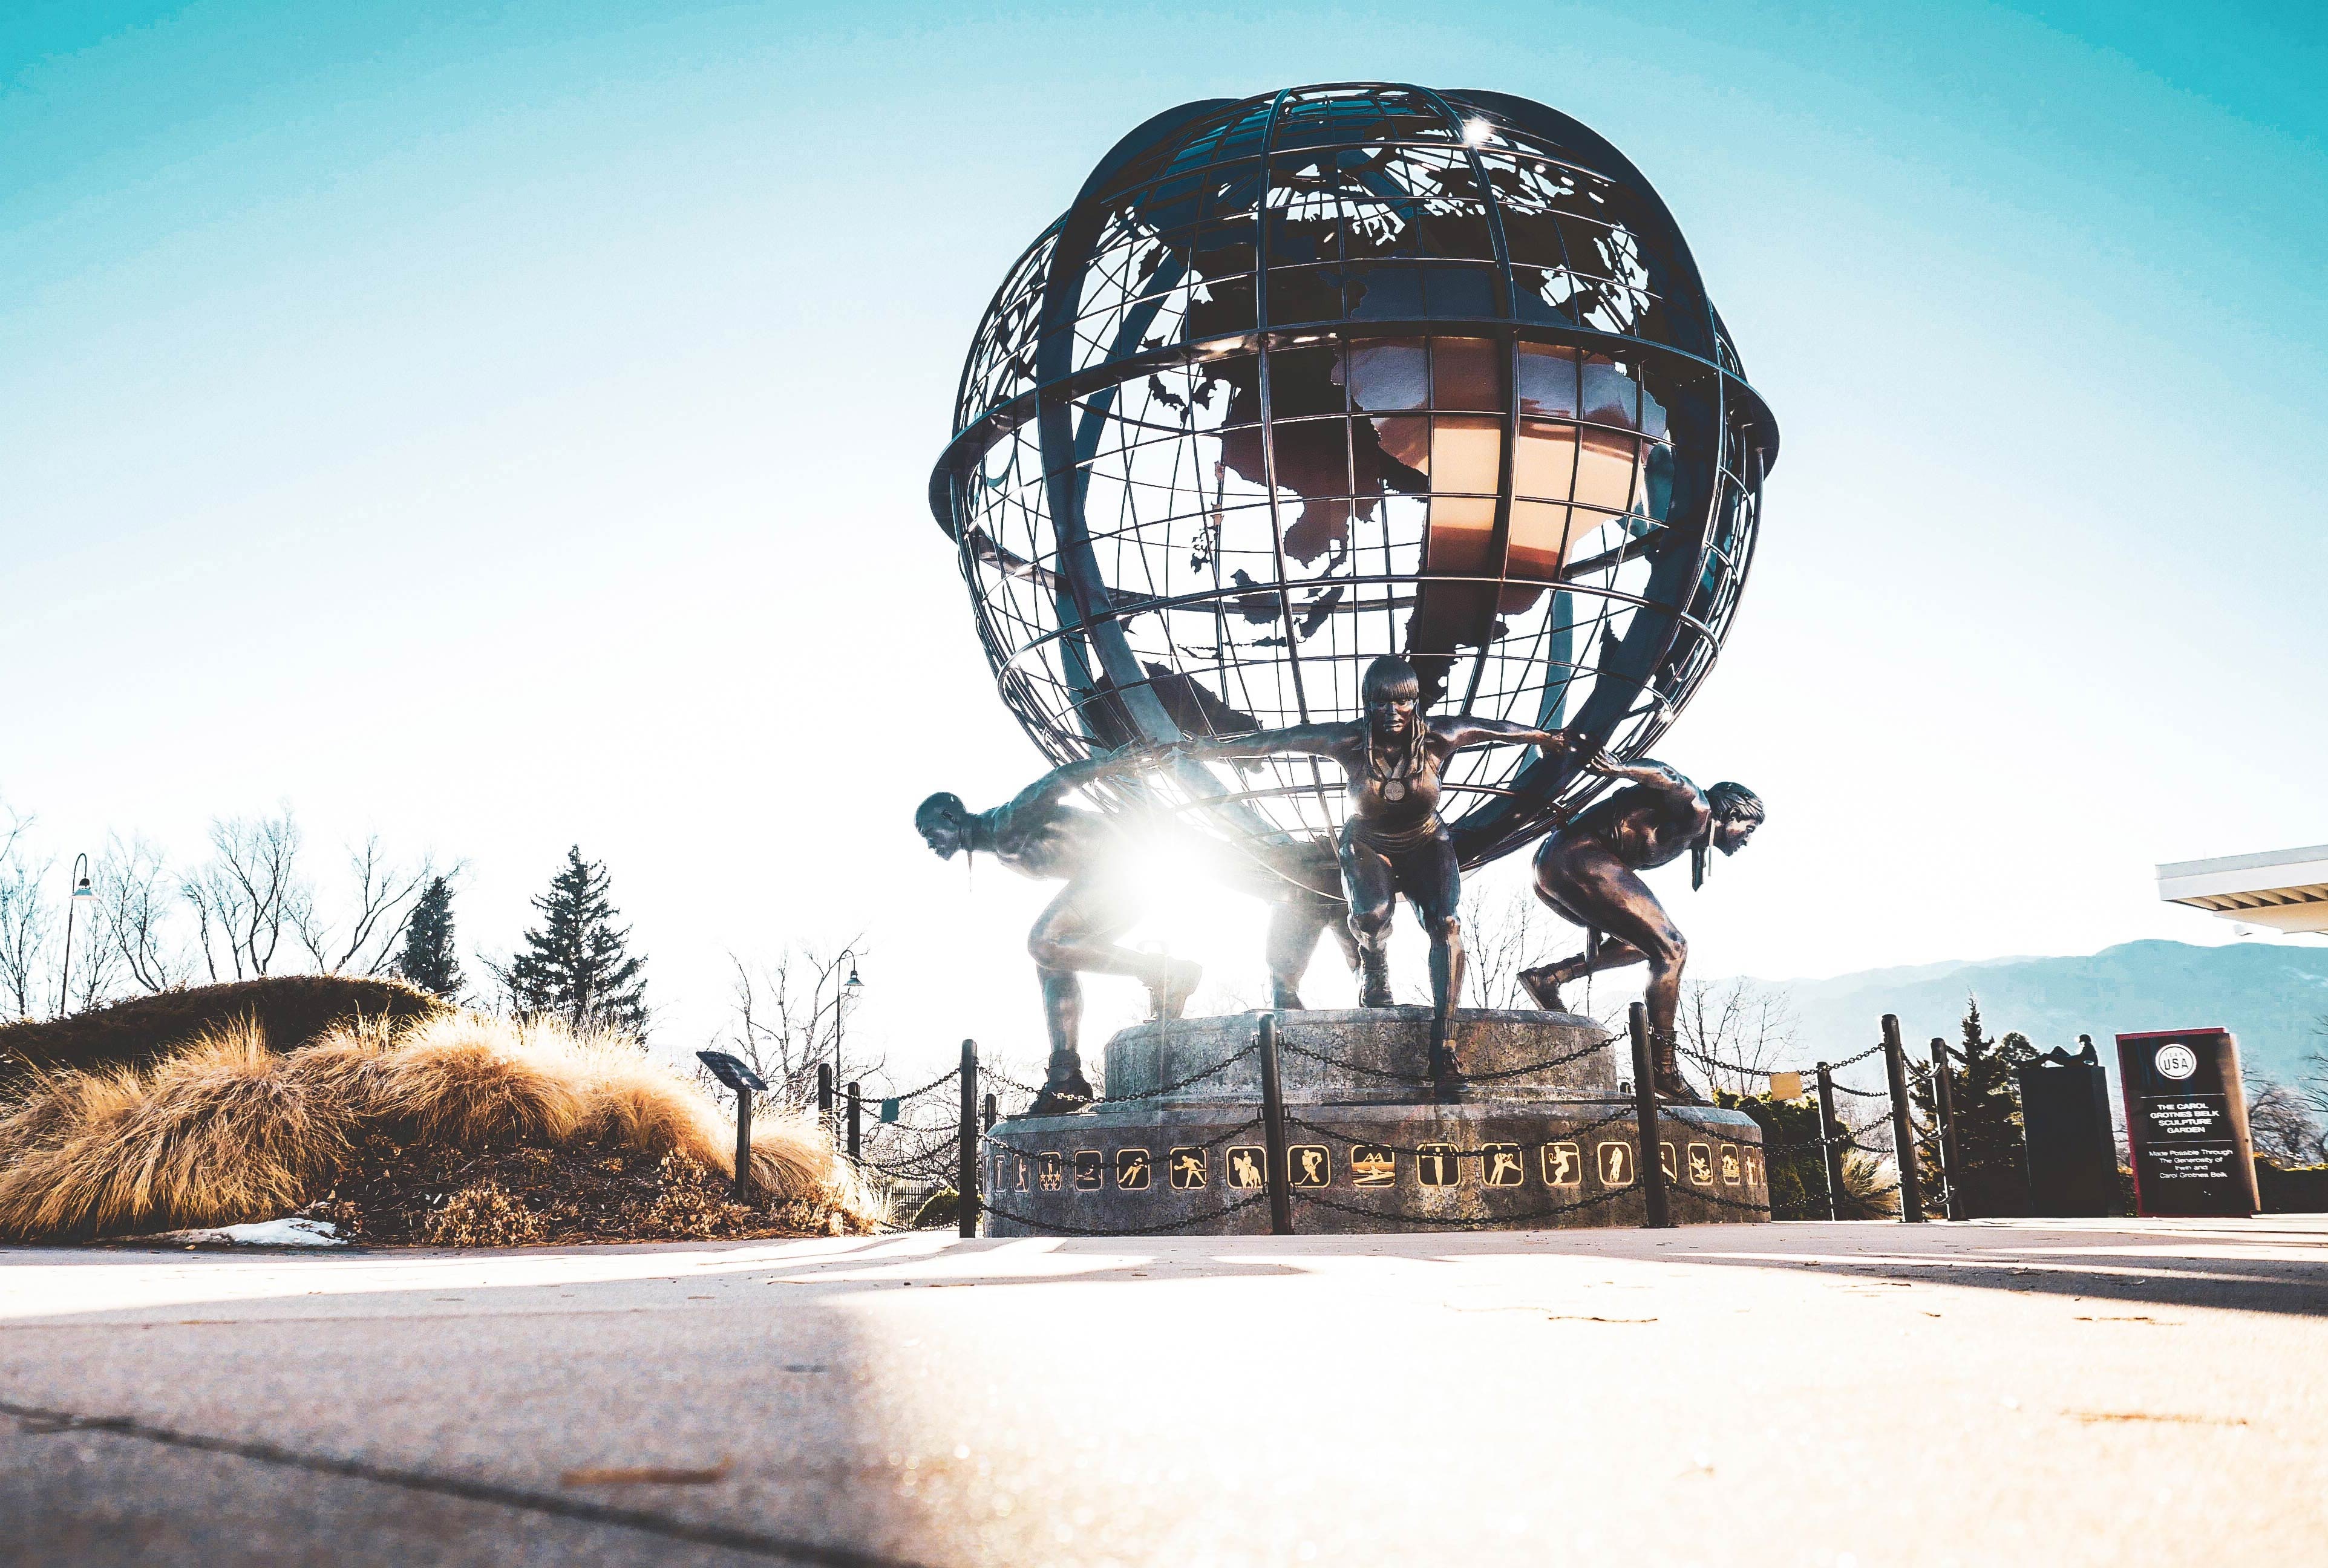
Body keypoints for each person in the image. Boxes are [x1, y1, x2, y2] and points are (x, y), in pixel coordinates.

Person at [1160, 654, 1569, 1096]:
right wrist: (1203, 749)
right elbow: (1278, 740)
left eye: (1403, 703)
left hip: (1427, 840)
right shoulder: (1349, 740)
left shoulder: (1439, 736)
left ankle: (1444, 1047)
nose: (1392, 714)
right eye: (1380, 704)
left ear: (1416, 702)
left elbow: (1492, 728)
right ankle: (1373, 965)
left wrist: (1544, 737)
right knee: (1371, 917)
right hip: (1368, 842)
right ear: (1366, 703)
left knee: (1447, 923)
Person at [916, 763, 1358, 1114]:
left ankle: (1169, 973)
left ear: (952, 817)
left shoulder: (1006, 823)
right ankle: (1065, 1076)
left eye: (930, 832)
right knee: (1052, 959)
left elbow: (1058, 780)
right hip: (1118, 880)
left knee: (1043, 942)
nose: (931, 845)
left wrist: (1113, 764)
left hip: (1122, 869)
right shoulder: (999, 845)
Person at [1518, 750, 1764, 1100]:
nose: (1747, 840)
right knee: (1672, 947)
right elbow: (1670, 777)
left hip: (1553, 868)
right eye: (1749, 829)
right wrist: (1621, 768)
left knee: (1641, 944)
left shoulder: (1692, 833)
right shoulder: (1699, 810)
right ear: (1734, 815)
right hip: (1576, 859)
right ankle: (1663, 1069)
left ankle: (1549, 978)